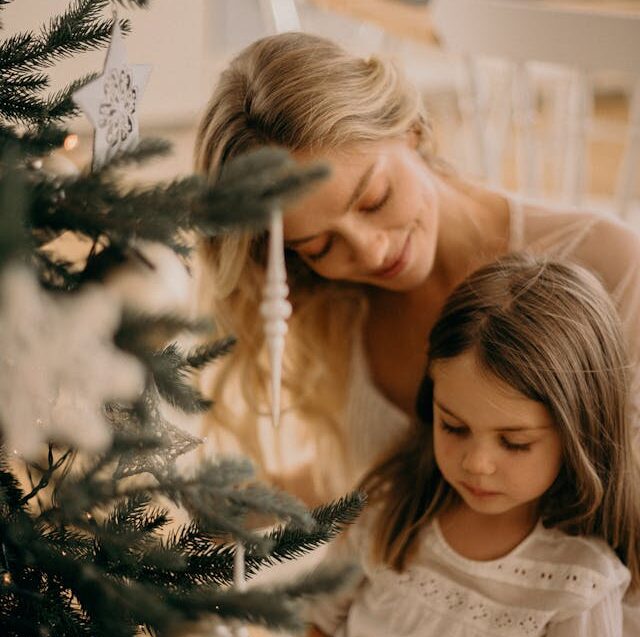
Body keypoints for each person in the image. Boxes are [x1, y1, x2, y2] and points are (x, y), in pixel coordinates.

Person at [193, 31, 640, 501]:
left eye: (373, 199)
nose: (370, 252)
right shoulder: (333, 302)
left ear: (408, 129)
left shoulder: (610, 264)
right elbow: (372, 475)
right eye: (319, 244)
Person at [305, 254, 640, 637]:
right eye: (454, 427)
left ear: (580, 434)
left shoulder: (580, 583)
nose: (477, 463)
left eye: (514, 443)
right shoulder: (385, 509)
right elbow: (318, 621)